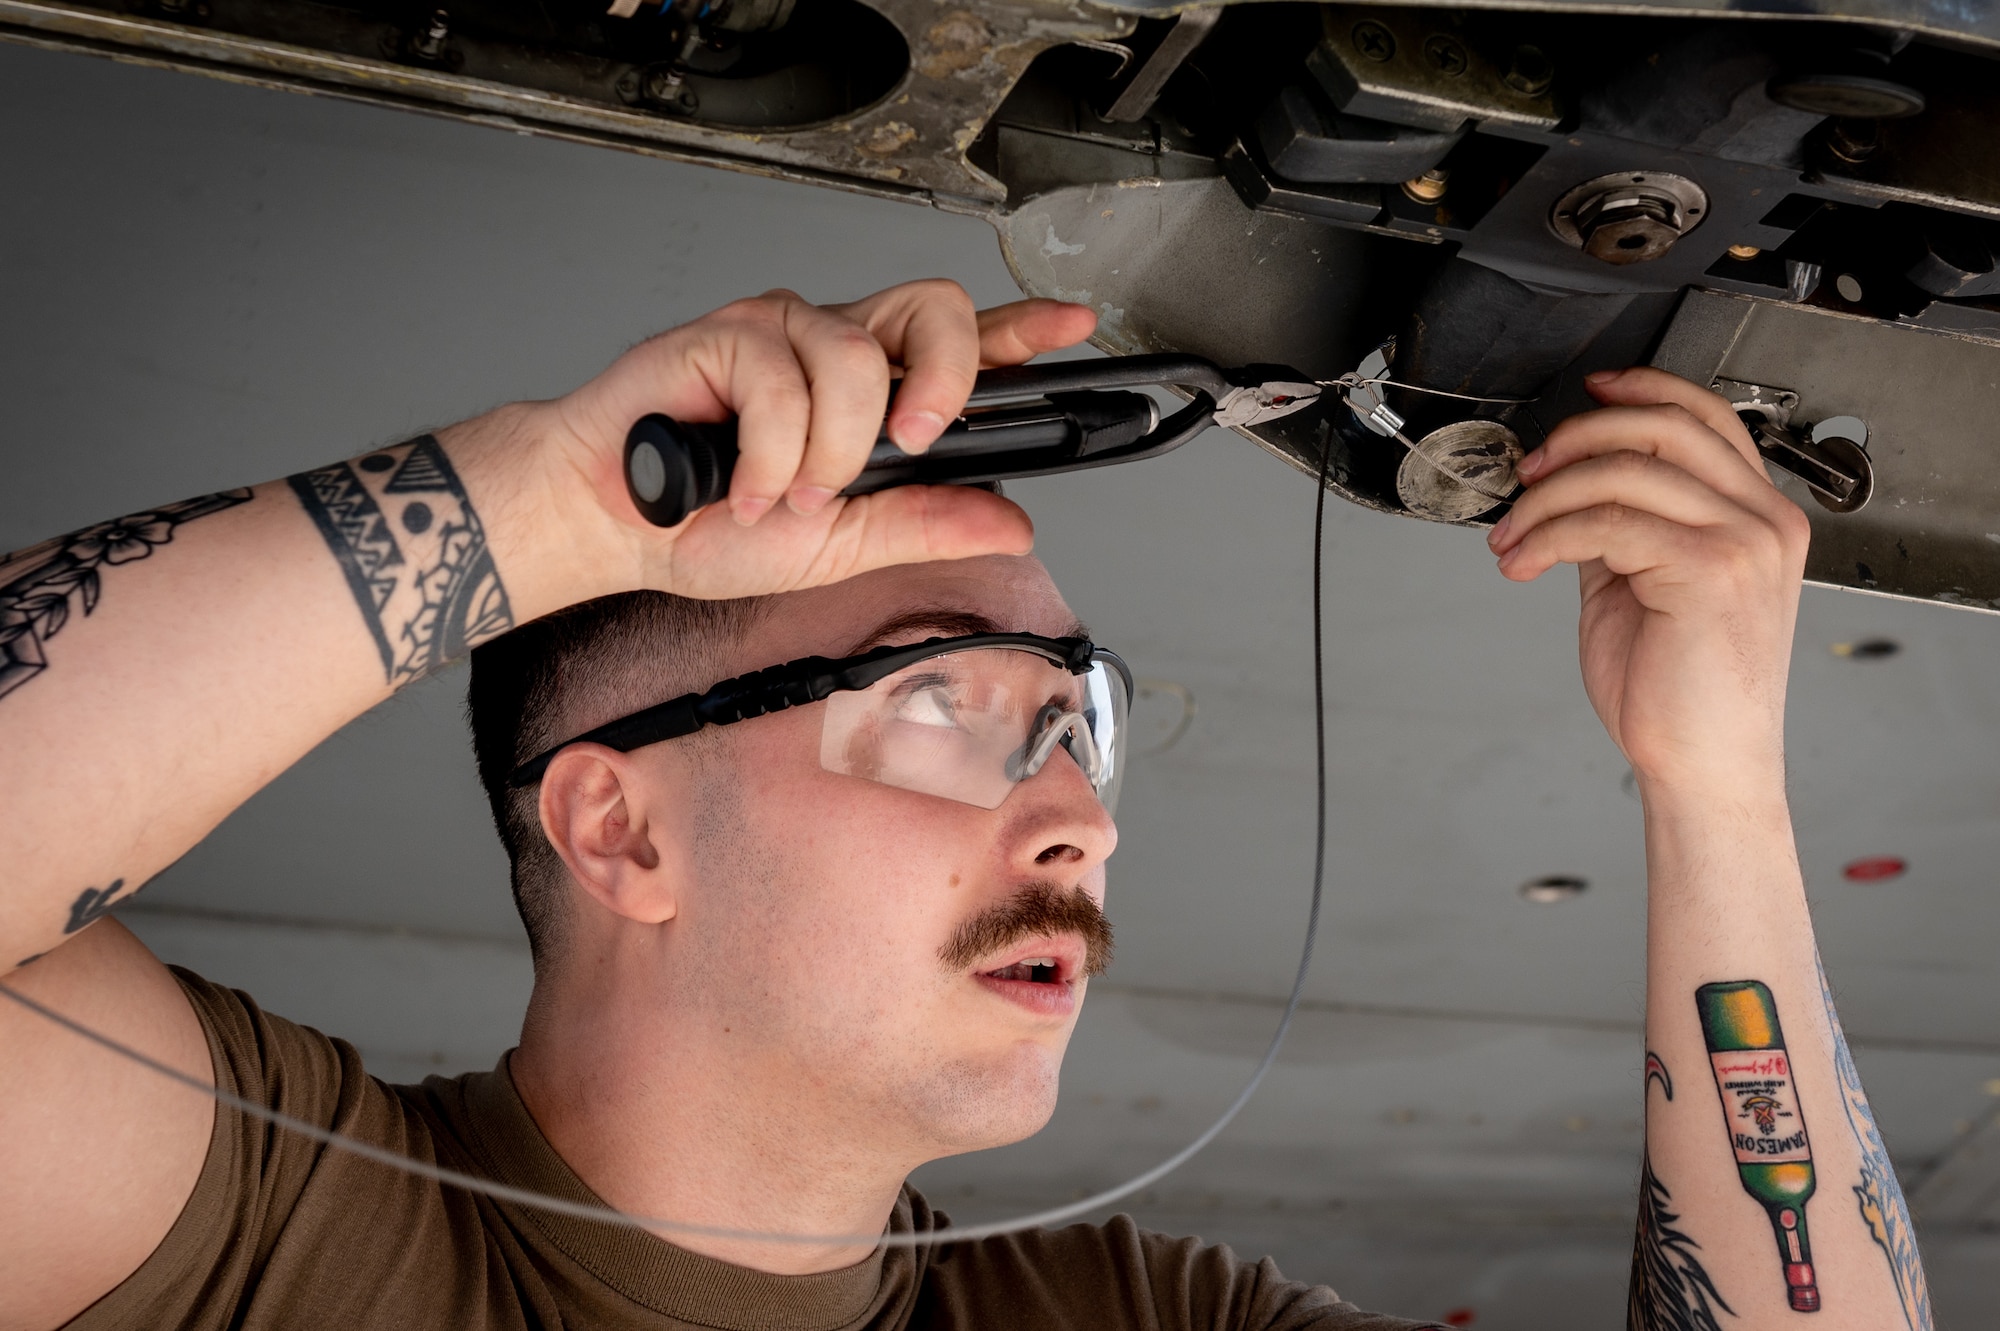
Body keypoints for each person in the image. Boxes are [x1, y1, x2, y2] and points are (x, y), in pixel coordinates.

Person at [0, 279, 1930, 1331]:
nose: (1078, 817)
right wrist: (541, 505)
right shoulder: (265, 1231)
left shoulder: (1127, 1314)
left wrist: (1717, 791)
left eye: (1074, 717)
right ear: (618, 832)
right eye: (940, 701)